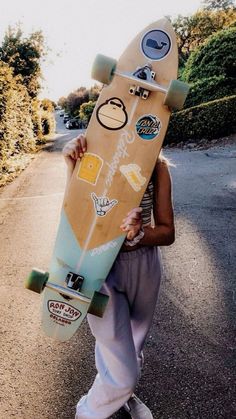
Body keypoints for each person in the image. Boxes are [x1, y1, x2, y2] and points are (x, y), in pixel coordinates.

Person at [62, 133, 175, 419]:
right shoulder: (93, 151)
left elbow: (167, 232)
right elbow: (73, 217)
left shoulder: (157, 165)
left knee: (132, 343)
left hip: (144, 263)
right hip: (99, 266)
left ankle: (124, 396)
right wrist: (70, 167)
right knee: (117, 351)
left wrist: (138, 234)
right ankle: (89, 412)